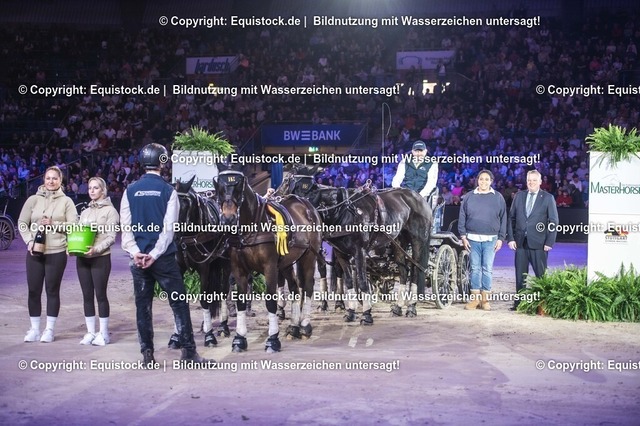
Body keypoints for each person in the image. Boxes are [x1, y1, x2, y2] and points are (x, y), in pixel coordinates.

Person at [120, 142, 209, 367]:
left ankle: (147, 355)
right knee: (179, 304)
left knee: (143, 307)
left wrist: (137, 253)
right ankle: (189, 354)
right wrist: (155, 254)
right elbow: (169, 230)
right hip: (164, 260)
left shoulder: (129, 190)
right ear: (163, 163)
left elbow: (125, 228)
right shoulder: (169, 191)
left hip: (138, 260)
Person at [18, 166, 77, 342]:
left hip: (56, 251)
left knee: (52, 290)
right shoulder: (33, 200)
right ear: (44, 180)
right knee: (33, 290)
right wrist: (29, 241)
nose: (51, 181)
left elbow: (74, 226)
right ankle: (35, 329)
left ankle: (49, 330)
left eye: (54, 178)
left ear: (60, 180)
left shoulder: (66, 202)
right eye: (48, 178)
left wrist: (54, 224)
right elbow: (22, 222)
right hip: (34, 251)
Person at [507, 169, 559, 310]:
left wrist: (549, 242)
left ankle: (543, 305)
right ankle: (519, 304)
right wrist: (510, 238)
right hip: (520, 244)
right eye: (529, 180)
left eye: (534, 180)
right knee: (520, 276)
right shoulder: (519, 196)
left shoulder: (548, 198)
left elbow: (553, 221)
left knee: (541, 276)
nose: (531, 182)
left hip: (540, 244)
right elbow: (511, 218)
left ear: (540, 182)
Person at [76, 177, 119, 346]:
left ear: (103, 190)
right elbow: (79, 233)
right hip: (82, 259)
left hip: (100, 258)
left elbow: (111, 237)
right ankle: (90, 332)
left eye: (95, 188)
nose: (92, 191)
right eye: (90, 188)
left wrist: (96, 249)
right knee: (87, 296)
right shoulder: (85, 212)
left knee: (100, 295)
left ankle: (104, 333)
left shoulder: (111, 212)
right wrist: (73, 247)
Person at [458, 170, 506, 311]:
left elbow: (503, 218)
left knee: (487, 269)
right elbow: (462, 216)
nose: (483, 182)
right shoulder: (469, 196)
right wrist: (463, 236)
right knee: (474, 269)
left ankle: (485, 300)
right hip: (472, 239)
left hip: (491, 239)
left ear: (491, 181)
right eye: (481, 179)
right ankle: (475, 299)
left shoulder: (498, 197)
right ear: (477, 180)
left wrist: (501, 238)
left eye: (486, 179)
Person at [392, 140, 440, 230]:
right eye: (416, 151)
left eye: (421, 151)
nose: (418, 153)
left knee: (420, 212)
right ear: (412, 151)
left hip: (423, 195)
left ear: (425, 151)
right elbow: (397, 179)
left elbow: (431, 183)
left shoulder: (432, 163)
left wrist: (419, 195)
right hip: (406, 194)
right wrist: (398, 191)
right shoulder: (404, 162)